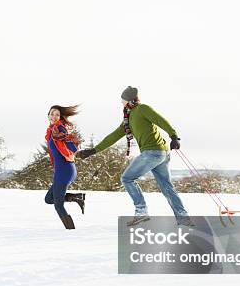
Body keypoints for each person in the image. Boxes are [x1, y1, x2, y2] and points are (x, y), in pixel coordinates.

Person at [77, 86, 192, 226]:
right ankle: (183, 217)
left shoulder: (142, 109)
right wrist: (94, 150)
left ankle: (141, 212)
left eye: (123, 100)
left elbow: (160, 120)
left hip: (152, 152)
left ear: (130, 100)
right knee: (166, 187)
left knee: (127, 178)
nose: (121, 103)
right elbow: (113, 136)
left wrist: (174, 136)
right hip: (160, 153)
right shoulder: (128, 119)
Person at [44, 105, 86, 229]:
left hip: (65, 170)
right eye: (52, 114)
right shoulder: (51, 130)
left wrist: (65, 137)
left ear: (60, 117)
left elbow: (73, 148)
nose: (54, 116)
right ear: (48, 115)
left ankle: (71, 231)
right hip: (62, 170)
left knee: (58, 205)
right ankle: (77, 197)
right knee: (49, 199)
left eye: (57, 114)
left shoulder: (60, 129)